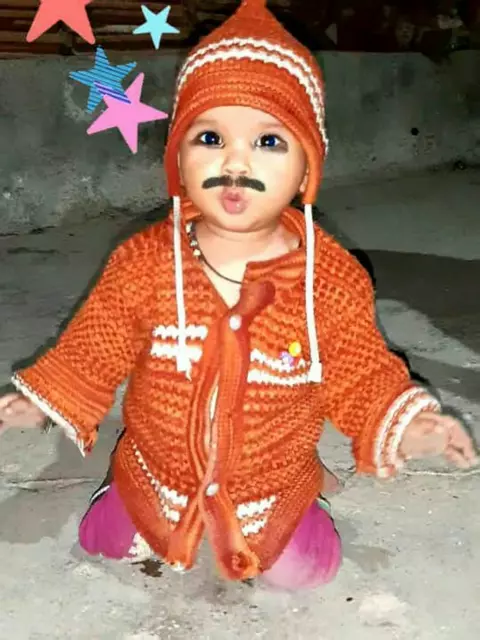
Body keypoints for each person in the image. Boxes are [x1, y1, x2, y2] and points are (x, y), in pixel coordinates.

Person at [0, 0, 477, 591]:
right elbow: (94, 347)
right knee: (103, 541)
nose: (235, 161)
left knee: (306, 572)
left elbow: (360, 373)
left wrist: (406, 423)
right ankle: (123, 482)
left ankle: (305, 490)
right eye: (210, 137)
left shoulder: (328, 279)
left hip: (269, 478)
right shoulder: (144, 262)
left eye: (269, 141)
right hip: (160, 467)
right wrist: (48, 401)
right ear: (177, 158)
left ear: (308, 169)